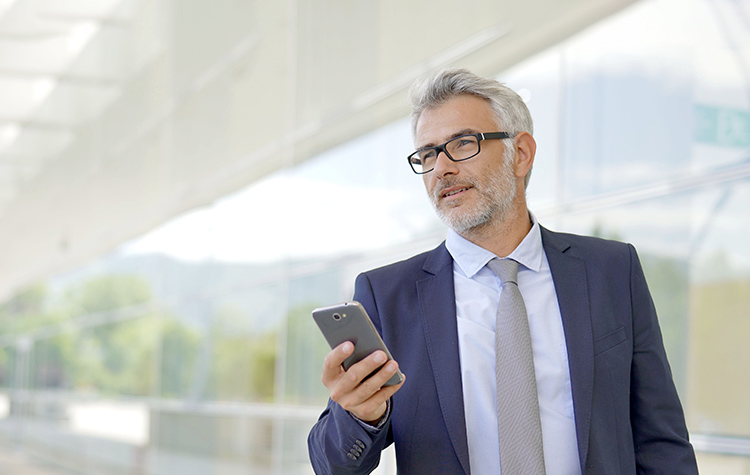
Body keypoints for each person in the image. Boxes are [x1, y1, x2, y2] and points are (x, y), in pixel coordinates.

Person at [307, 68, 698, 475]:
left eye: (462, 143)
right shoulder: (388, 295)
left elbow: (661, 440)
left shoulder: (611, 271)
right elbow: (330, 465)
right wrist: (360, 415)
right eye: (427, 154)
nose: (441, 168)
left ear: (521, 154)